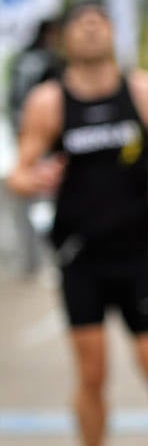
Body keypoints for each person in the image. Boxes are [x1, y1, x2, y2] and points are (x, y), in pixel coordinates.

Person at [4, 0, 148, 446]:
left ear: (113, 33)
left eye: (99, 21)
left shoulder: (146, 92)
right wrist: (30, 180)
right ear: (66, 39)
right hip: (79, 259)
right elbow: (17, 172)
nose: (90, 28)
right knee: (92, 374)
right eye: (79, 23)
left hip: (136, 258)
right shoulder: (49, 104)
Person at [5, 17, 63, 277]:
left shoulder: (19, 60)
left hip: (22, 138)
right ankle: (50, 257)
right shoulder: (50, 62)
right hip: (44, 140)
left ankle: (31, 260)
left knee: (27, 202)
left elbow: (11, 101)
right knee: (46, 199)